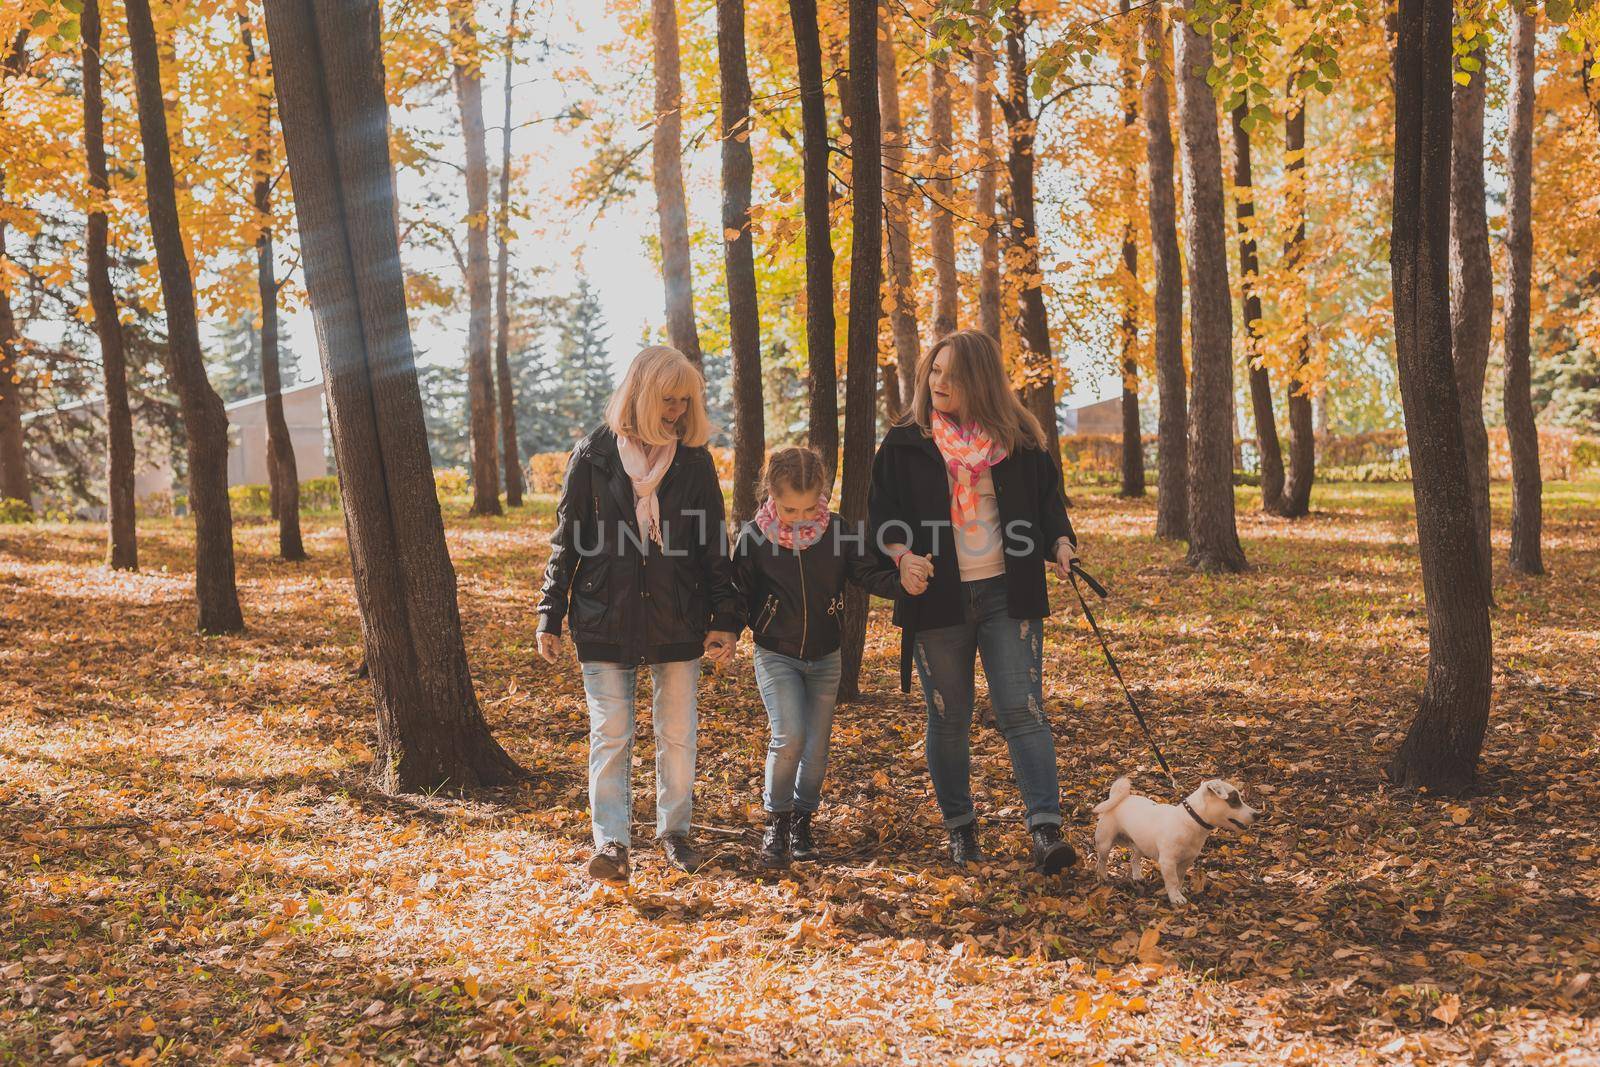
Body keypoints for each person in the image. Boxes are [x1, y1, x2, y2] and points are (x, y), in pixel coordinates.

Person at [867, 330, 1082, 874]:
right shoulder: (905, 442)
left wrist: (1060, 542)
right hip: (936, 597)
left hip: (1008, 592)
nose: (938, 382)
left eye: (952, 374)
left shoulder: (1019, 438)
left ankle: (1045, 829)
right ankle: (961, 830)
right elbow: (881, 522)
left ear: (979, 381)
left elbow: (1048, 505)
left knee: (1022, 710)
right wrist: (901, 558)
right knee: (949, 716)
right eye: (934, 371)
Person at [536, 345, 739, 884]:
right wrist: (549, 613)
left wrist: (725, 617)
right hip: (604, 615)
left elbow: (713, 545)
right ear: (642, 394)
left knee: (677, 733)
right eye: (667, 399)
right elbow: (567, 543)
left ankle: (675, 833)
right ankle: (612, 844)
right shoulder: (594, 455)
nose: (675, 411)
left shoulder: (693, 461)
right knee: (612, 733)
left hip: (678, 614)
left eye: (684, 401)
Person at [731, 447, 904, 870]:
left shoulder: (838, 531)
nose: (802, 517)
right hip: (776, 653)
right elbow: (734, 595)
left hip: (826, 657)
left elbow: (867, 572)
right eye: (791, 508)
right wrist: (723, 633)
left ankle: (803, 821)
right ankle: (777, 822)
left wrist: (904, 582)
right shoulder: (754, 538)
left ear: (823, 495)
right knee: (789, 736)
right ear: (771, 493)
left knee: (817, 748)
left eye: (811, 507)